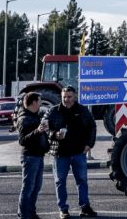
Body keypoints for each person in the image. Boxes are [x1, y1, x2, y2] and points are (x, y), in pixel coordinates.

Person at [45, 86, 97, 218]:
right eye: (64, 97)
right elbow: (44, 128)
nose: (66, 99)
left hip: (79, 152)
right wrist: (55, 134)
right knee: (60, 182)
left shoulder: (82, 110)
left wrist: (89, 144)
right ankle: (63, 209)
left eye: (69, 97)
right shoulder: (53, 111)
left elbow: (92, 126)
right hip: (60, 154)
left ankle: (85, 207)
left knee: (82, 181)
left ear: (74, 97)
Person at [17, 92, 50, 219]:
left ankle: (31, 212)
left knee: (36, 187)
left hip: (38, 155)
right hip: (30, 157)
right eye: (40, 101)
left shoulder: (34, 116)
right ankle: (24, 215)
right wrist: (38, 131)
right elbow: (22, 140)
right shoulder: (24, 118)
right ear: (34, 102)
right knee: (28, 187)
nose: (41, 104)